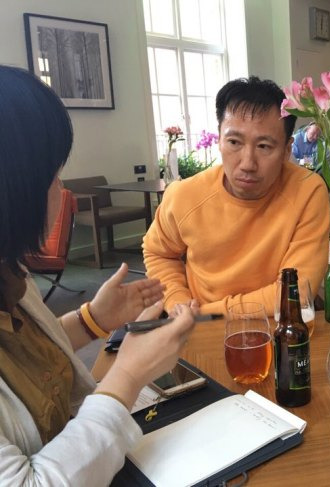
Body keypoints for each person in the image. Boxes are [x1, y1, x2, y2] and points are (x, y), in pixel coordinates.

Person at [0, 65, 197, 485]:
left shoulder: (9, 272)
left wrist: (92, 320)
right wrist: (127, 376)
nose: (61, 187)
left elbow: (25, 355)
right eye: (52, 175)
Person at [143, 77, 330, 317]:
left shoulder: (307, 191)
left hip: (276, 326)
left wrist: (207, 314)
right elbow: (158, 252)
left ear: (286, 150)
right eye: (234, 142)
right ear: (219, 140)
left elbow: (297, 291)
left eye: (264, 146)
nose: (247, 163)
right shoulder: (185, 196)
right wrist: (177, 301)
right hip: (199, 330)